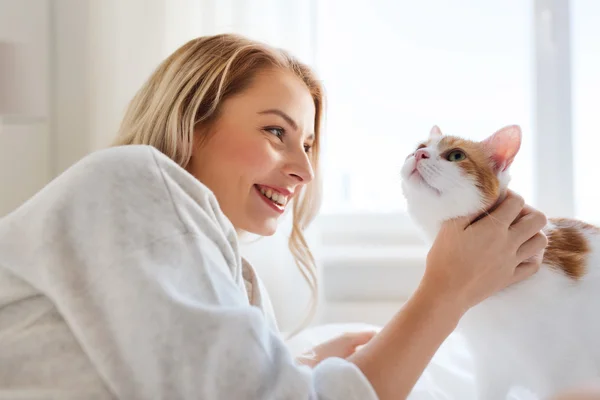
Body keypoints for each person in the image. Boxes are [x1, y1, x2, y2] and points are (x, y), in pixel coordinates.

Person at [0, 33, 550, 399]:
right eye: (275, 131)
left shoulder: (223, 272)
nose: (303, 170)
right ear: (193, 121)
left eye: (308, 145)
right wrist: (444, 292)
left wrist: (297, 365)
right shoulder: (130, 181)